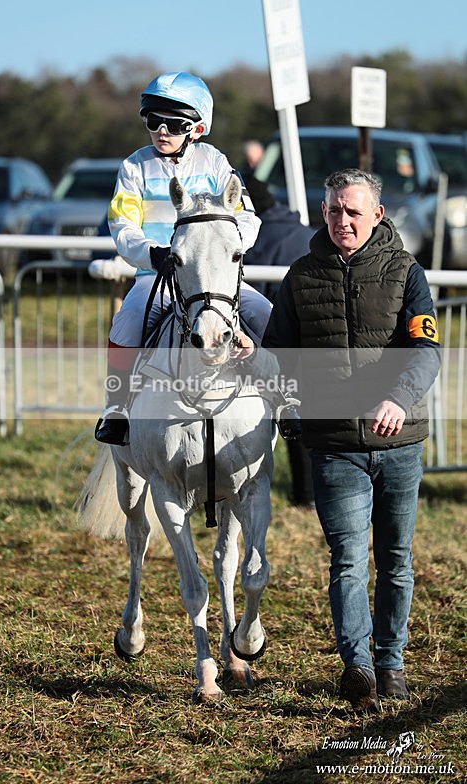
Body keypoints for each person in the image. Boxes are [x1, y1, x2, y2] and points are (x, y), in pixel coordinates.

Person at [262, 168, 441, 712]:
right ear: (323, 212)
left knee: (396, 560)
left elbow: (426, 350)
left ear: (377, 215)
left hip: (399, 442)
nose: (343, 220)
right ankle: (358, 667)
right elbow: (279, 354)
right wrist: (258, 361)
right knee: (347, 560)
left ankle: (391, 664)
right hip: (334, 444)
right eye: (335, 210)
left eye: (354, 211)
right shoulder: (300, 276)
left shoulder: (406, 272)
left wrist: (399, 399)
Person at [90, 72, 272, 445]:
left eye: (173, 124)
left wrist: (226, 248)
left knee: (267, 313)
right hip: (156, 277)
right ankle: (117, 409)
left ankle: (286, 398)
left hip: (215, 279)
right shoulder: (133, 167)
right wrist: (151, 254)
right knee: (126, 322)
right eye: (153, 121)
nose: (161, 131)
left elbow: (248, 218)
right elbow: (122, 225)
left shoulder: (216, 162)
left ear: (197, 128)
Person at [242, 173, 316, 508]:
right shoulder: (298, 227)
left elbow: (249, 294)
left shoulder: (255, 237)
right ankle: (307, 495)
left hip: (276, 337)